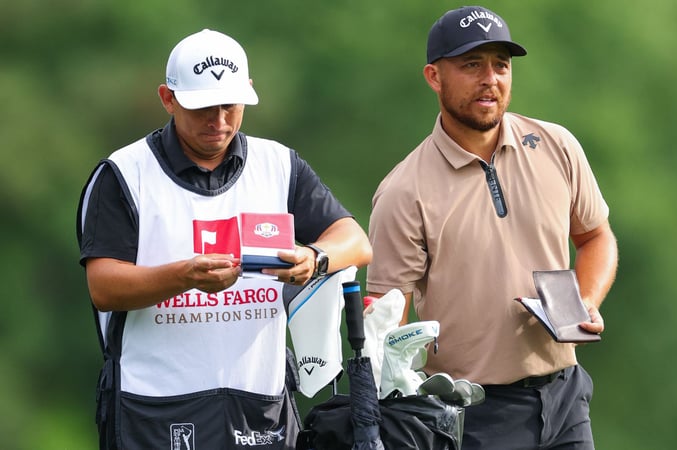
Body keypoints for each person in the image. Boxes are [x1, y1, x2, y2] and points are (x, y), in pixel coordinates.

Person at [76, 29, 372, 450]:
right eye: (203, 107)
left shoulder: (279, 164)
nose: (219, 121)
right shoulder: (124, 173)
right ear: (168, 98)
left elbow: (355, 239)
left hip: (259, 404)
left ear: (248, 92)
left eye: (230, 105)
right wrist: (185, 276)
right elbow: (104, 286)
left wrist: (315, 258)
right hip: (153, 408)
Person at [366, 6, 618, 450]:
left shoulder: (556, 145)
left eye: (501, 65)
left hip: (566, 397)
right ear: (433, 76)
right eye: (471, 65)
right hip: (473, 413)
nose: (490, 79)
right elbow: (389, 322)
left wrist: (586, 302)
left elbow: (596, 235)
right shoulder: (403, 191)